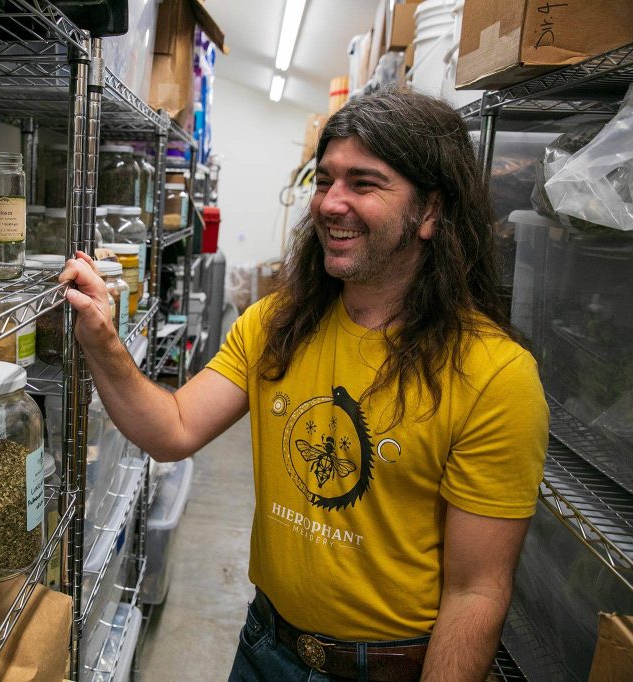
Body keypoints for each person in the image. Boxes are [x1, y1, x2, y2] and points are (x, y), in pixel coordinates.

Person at [60, 89, 547, 682]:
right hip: (266, 645)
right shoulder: (276, 324)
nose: (331, 204)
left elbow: (476, 593)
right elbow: (173, 429)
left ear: (430, 213)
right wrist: (103, 340)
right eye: (324, 180)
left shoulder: (494, 374)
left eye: (364, 184)